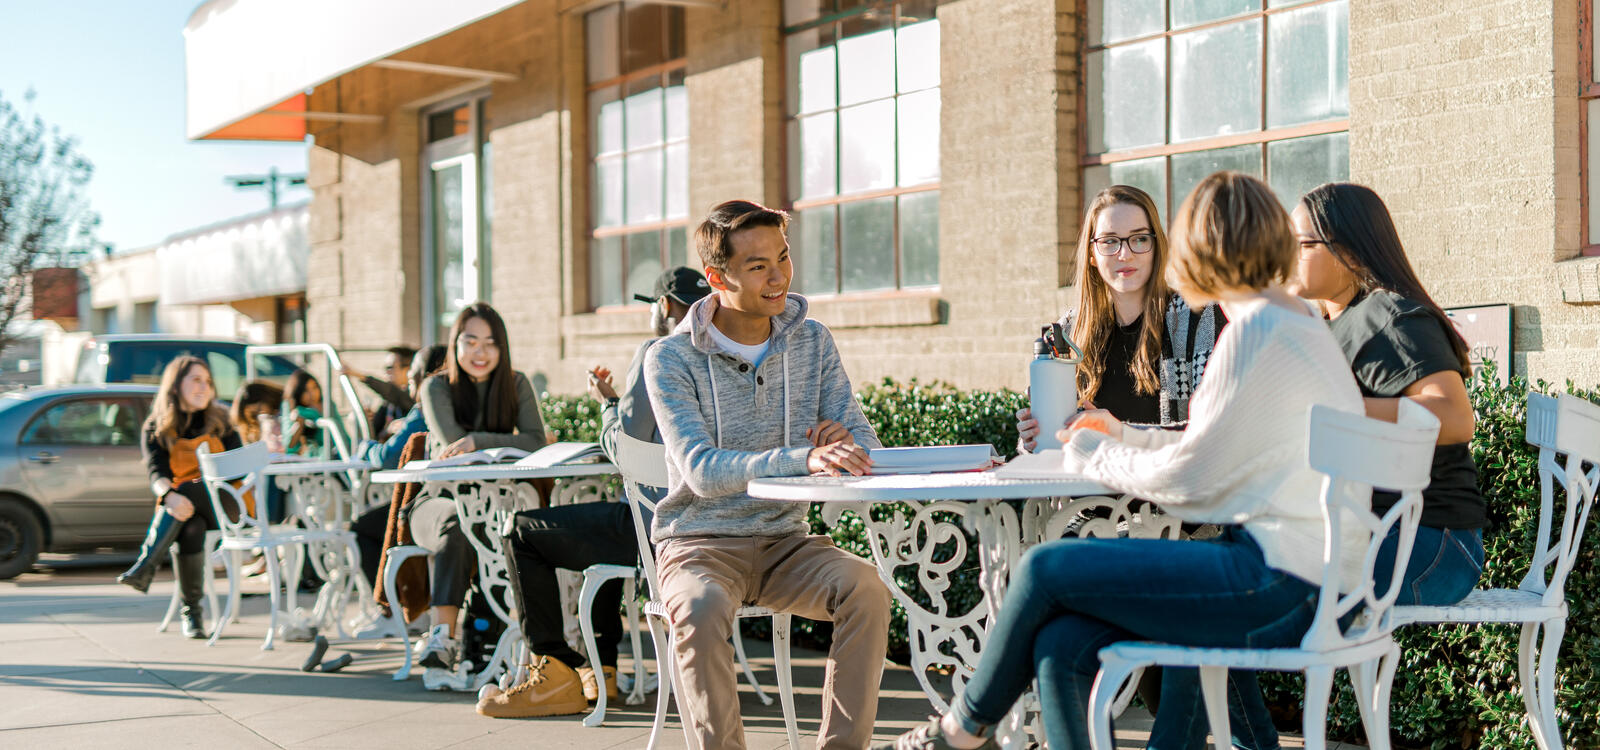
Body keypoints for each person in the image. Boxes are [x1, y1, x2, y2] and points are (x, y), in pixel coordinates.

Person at [877, 172, 1367, 750]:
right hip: (1305, 572)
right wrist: (1120, 434)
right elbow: (1204, 452)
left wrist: (1093, 452)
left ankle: (960, 729)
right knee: (1060, 644)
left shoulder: (1254, 333)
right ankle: (963, 729)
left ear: (1198, 247)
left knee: (1041, 570)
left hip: (1282, 579)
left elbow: (1194, 485)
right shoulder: (1287, 322)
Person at [645, 199, 891, 749]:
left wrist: (844, 443)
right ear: (717, 277)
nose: (778, 277)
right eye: (758, 266)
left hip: (787, 543)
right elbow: (703, 472)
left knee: (867, 589)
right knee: (702, 607)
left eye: (783, 258)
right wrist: (802, 456)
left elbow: (865, 443)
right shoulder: (670, 358)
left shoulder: (812, 341)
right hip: (697, 544)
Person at [475, 266, 711, 719]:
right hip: (711, 531)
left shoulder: (658, 352)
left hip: (660, 532)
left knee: (521, 531)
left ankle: (557, 670)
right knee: (600, 530)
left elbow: (624, 449)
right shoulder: (718, 352)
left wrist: (606, 406)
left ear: (662, 306)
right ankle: (600, 671)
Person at [1289, 182, 1485, 604]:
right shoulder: (1330, 325)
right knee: (1230, 571)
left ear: (1352, 252)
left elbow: (1454, 417)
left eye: (1302, 244)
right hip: (1376, 531)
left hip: (1435, 545)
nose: (1286, 256)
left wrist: (1336, 412)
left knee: (1245, 581)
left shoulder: (1388, 316)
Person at [1016, 184, 1225, 449]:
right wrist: (1032, 439)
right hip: (1082, 488)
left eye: (1139, 239)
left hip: (1162, 488)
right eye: (1110, 241)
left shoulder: (1198, 317)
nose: (1125, 254)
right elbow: (1052, 446)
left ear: (1156, 246)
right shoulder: (1068, 332)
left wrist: (1118, 432)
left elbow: (1212, 429)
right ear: (1092, 253)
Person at [412, 302, 548, 672]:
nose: (480, 352)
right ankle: (442, 637)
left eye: (490, 343)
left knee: (537, 528)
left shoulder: (516, 383)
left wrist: (478, 440)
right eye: (470, 341)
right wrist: (480, 442)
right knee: (457, 524)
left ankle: (538, 643)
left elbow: (536, 440)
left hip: (502, 502)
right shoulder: (435, 387)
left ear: (501, 348)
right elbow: (454, 443)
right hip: (437, 503)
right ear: (456, 343)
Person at [115, 356, 244, 639]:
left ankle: (146, 565)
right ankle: (193, 615)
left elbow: (240, 470)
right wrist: (168, 496)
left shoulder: (222, 420)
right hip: (187, 509)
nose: (204, 387)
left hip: (230, 503)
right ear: (175, 385)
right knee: (191, 527)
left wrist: (177, 493)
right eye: (196, 380)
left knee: (185, 490)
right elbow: (156, 474)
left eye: (208, 382)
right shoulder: (157, 427)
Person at [350, 345, 448, 588]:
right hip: (466, 503)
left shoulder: (425, 407)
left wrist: (365, 447)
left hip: (431, 504)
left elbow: (387, 457)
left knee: (360, 529)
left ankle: (392, 609)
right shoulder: (463, 405)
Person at [230, 381, 287, 523]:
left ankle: (269, 522)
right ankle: (266, 522)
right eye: (255, 413)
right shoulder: (267, 421)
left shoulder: (284, 412)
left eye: (261, 408)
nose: (261, 414)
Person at [345, 345, 419, 438]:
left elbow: (395, 394)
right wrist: (368, 421)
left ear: (408, 369)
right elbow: (376, 435)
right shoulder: (388, 403)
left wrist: (360, 375)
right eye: (386, 368)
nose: (387, 372)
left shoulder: (415, 397)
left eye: (390, 367)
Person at [281, 369, 328, 457]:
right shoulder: (290, 406)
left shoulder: (326, 404)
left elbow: (339, 437)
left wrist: (314, 412)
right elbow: (289, 447)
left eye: (314, 387)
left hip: (331, 452)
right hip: (306, 458)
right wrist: (299, 423)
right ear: (298, 392)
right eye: (306, 390)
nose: (313, 394)